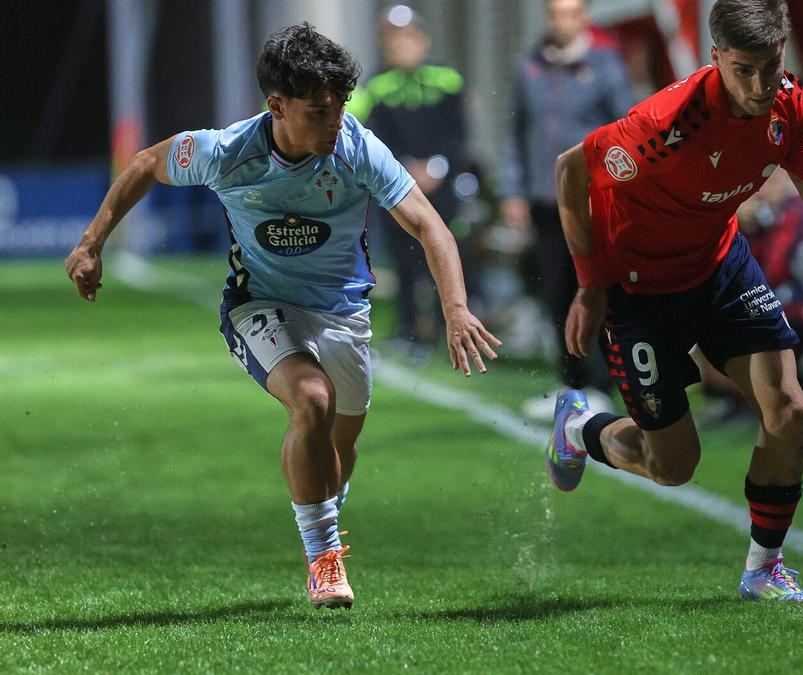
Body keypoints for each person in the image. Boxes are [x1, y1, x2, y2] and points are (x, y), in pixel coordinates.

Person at [63, 23, 500, 609]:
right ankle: (323, 559)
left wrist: (454, 308)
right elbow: (144, 163)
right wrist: (91, 243)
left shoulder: (356, 146)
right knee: (312, 400)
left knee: (337, 458)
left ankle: (321, 514)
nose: (336, 121)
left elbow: (428, 224)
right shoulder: (226, 151)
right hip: (259, 305)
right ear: (278, 106)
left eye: (341, 106)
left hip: (344, 311)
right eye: (320, 110)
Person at [546, 0, 803, 603]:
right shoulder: (664, 124)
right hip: (640, 290)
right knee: (673, 466)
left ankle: (763, 571)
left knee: (789, 411)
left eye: (771, 65)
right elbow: (571, 172)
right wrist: (589, 283)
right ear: (715, 58)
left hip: (719, 266)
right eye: (743, 69)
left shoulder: (792, 105)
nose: (760, 85)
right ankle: (577, 428)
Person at [501, 0, 635, 418]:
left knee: (595, 290)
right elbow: (517, 134)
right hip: (545, 200)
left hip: (593, 201)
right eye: (556, 13)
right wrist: (513, 191)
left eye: (570, 13)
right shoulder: (529, 67)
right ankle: (573, 381)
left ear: (584, 18)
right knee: (556, 292)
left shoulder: (607, 66)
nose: (562, 22)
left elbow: (627, 130)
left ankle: (602, 383)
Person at [346, 5, 470, 361]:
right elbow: (375, 135)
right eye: (393, 39)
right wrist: (403, 168)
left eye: (408, 38)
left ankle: (454, 328)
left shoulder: (447, 78)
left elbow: (458, 132)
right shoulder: (378, 85)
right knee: (405, 262)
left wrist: (438, 166)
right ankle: (411, 332)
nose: (401, 46)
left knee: (446, 254)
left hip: (442, 185)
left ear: (423, 39)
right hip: (397, 187)